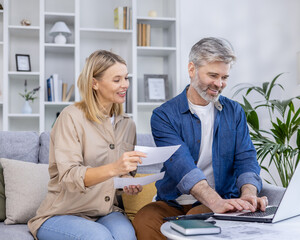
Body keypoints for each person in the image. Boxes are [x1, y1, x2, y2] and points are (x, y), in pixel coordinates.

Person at [133, 37, 268, 239]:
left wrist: (248, 195)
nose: (219, 84)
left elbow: (246, 159)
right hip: (172, 202)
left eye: (224, 77)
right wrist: (216, 202)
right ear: (191, 69)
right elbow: (181, 164)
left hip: (216, 200)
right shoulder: (164, 115)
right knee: (144, 219)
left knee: (199, 218)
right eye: (213, 75)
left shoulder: (234, 112)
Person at [28, 50, 146, 240]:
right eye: (117, 80)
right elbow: (69, 176)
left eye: (126, 78)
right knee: (99, 237)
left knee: (127, 237)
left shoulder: (127, 124)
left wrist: (127, 180)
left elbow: (123, 175)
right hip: (63, 213)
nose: (125, 85)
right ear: (94, 83)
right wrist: (116, 168)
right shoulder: (71, 117)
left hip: (105, 211)